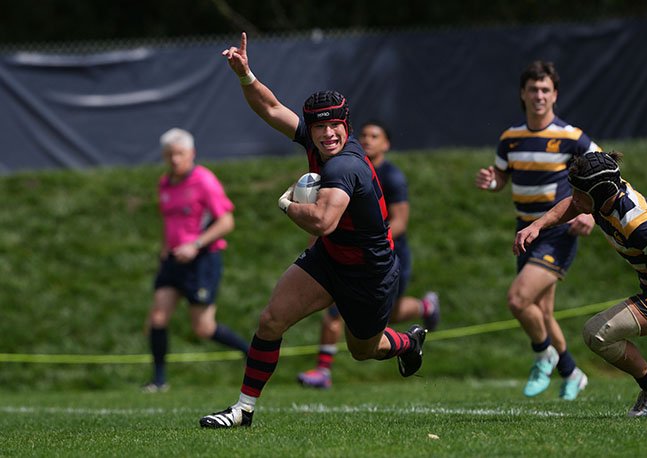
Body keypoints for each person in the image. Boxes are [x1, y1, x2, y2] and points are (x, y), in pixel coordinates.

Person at [199, 33, 426, 429]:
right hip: (329, 259)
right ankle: (243, 410)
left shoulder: (345, 165)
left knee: (363, 349)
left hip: (368, 274)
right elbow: (270, 108)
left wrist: (287, 204)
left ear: (346, 125)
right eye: (319, 128)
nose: (327, 135)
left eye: (334, 127)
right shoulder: (319, 146)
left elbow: (323, 222)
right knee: (271, 320)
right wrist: (245, 75)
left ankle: (408, 341)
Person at [514, 151, 647, 416]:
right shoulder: (603, 199)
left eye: (579, 193)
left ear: (598, 194)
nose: (574, 197)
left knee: (597, 334)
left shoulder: (637, 223)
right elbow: (572, 205)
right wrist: (538, 225)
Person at [475, 60, 599, 400]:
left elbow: (606, 173)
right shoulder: (510, 138)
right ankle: (572, 372)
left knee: (518, 300)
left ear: (555, 94)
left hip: (558, 232)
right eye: (533, 89)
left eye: (545, 89)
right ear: (523, 94)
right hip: (524, 232)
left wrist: (590, 213)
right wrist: (492, 181)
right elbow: (502, 177)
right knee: (541, 312)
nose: (539, 95)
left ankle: (543, 353)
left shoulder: (571, 137)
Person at [297, 120, 440, 389]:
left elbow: (400, 222)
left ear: (386, 144)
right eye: (363, 135)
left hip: (385, 257)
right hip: (347, 258)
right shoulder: (341, 170)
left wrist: (368, 240)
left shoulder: (392, 176)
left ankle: (424, 307)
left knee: (388, 318)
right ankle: (323, 370)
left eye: (375, 136)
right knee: (335, 313)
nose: (368, 140)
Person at [143, 127, 249, 392]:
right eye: (169, 155)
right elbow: (170, 223)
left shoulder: (204, 181)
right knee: (157, 318)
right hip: (172, 262)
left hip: (202, 260)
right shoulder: (164, 184)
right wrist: (164, 250)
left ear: (191, 153)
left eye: (179, 154)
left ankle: (250, 353)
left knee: (203, 328)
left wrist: (196, 244)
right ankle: (159, 381)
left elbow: (226, 221)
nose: (175, 159)